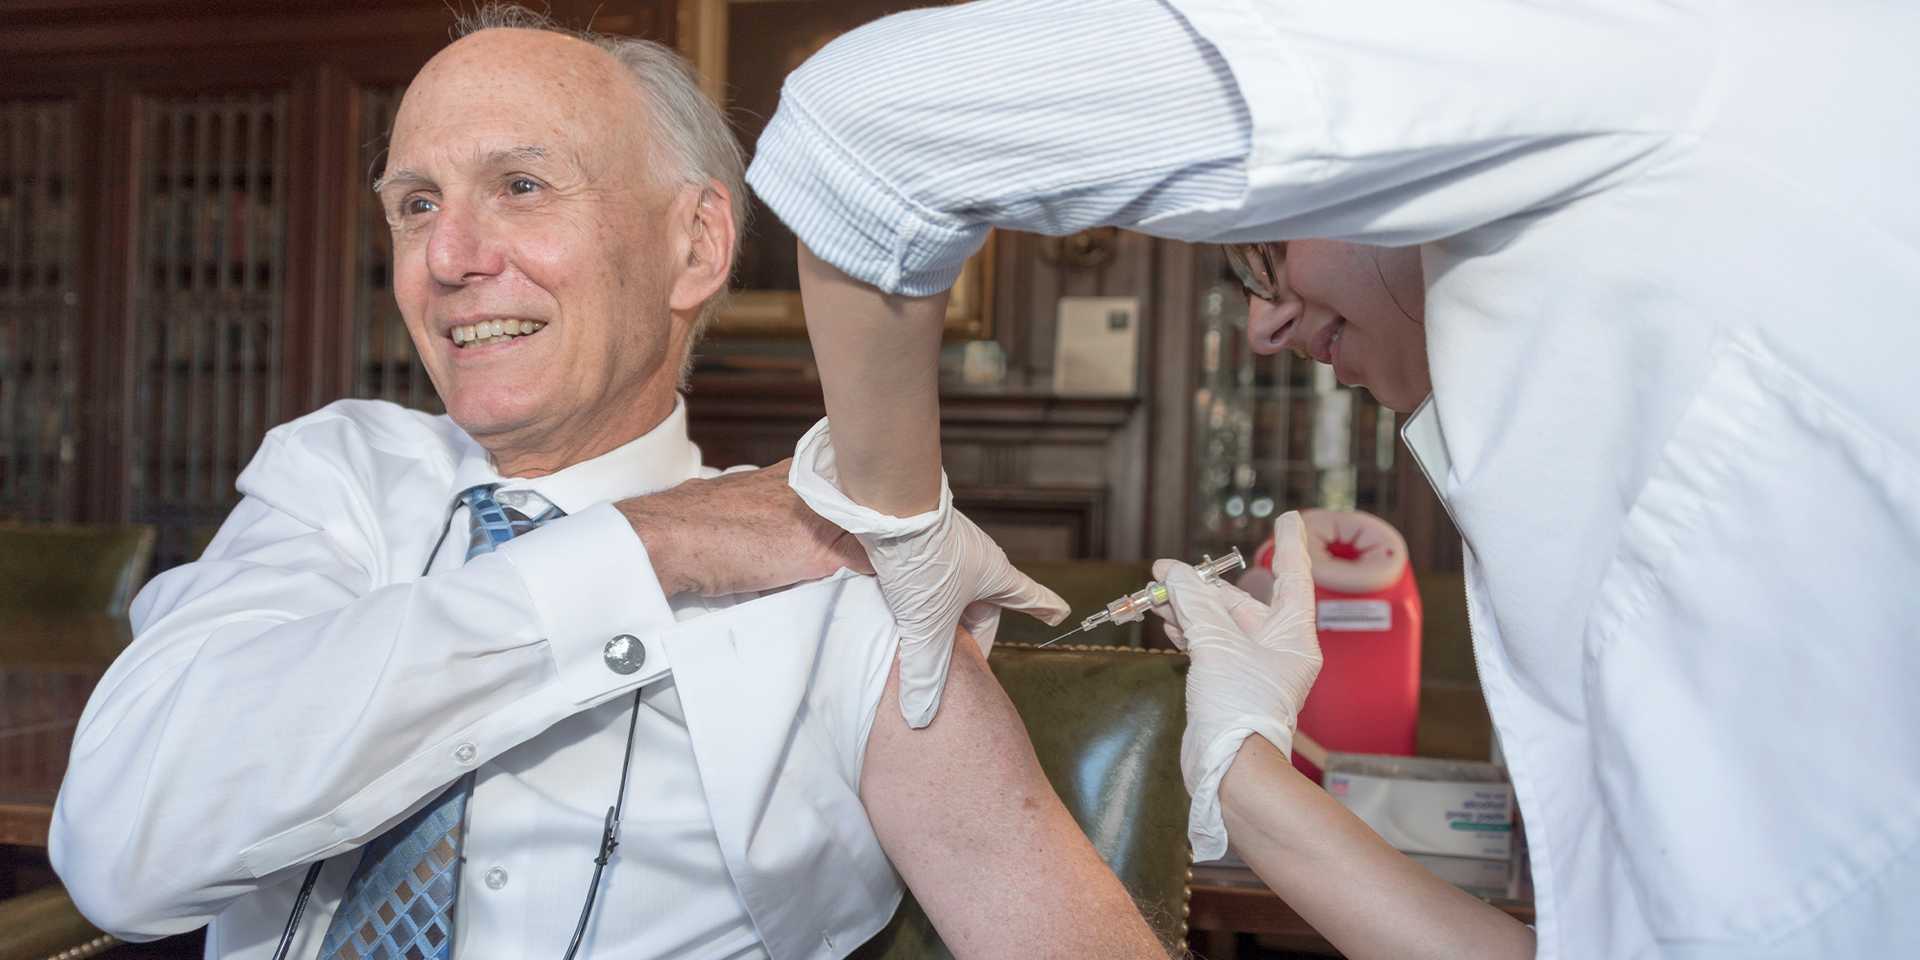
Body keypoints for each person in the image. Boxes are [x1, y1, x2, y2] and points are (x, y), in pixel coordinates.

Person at [745, 1, 1920, 957]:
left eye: (1269, 246)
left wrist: (900, 522)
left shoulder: (1611, 43)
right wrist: (1241, 764)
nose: (1264, 327)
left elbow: (869, 130)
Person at [48, 11, 1166, 960]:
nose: (449, 258)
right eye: (417, 203)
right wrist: (642, 548)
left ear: (697, 247)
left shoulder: (838, 576)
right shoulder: (338, 476)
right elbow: (119, 851)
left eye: (522, 186)